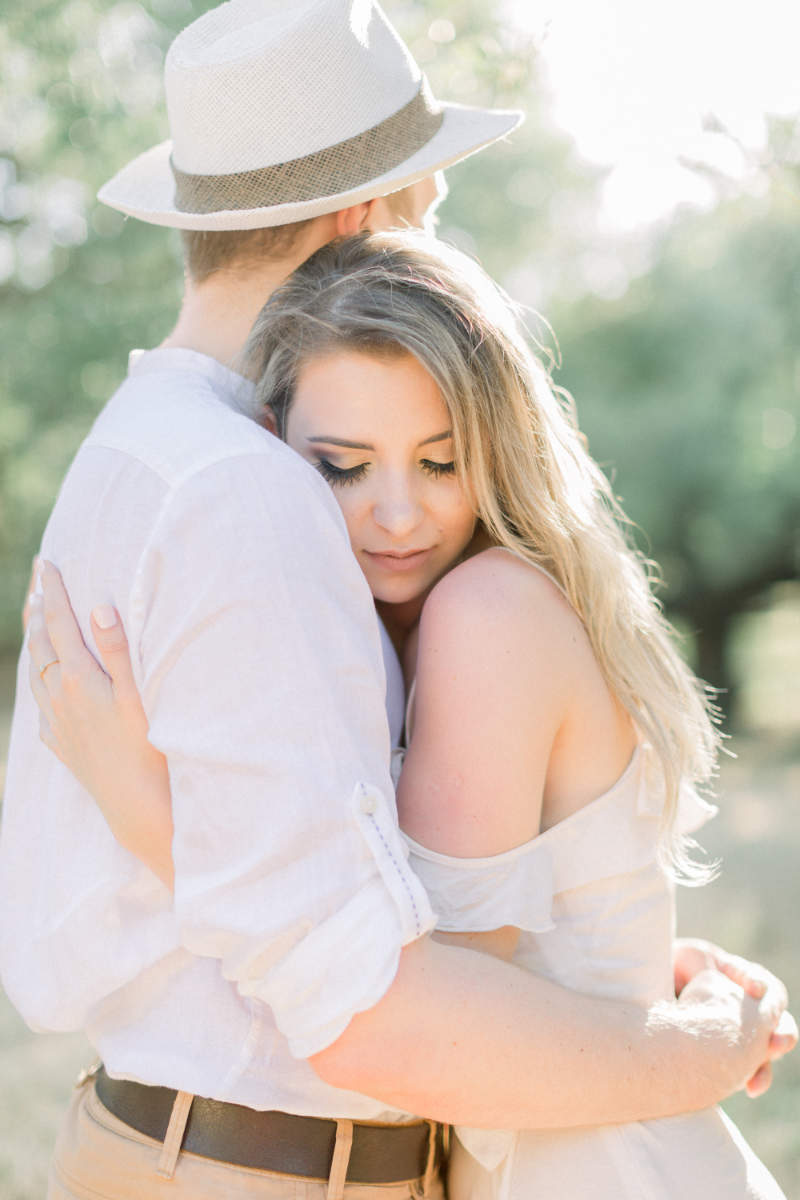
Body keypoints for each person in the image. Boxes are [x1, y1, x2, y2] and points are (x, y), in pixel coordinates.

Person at [0, 1, 793, 1197]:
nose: (392, 507)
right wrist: (701, 1044)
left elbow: (379, 908)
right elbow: (370, 999)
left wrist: (628, 971)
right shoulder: (242, 490)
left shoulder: (143, 451)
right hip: (255, 1164)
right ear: (365, 218)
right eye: (428, 210)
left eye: (435, 461)